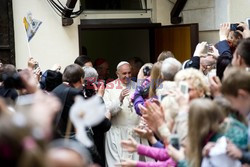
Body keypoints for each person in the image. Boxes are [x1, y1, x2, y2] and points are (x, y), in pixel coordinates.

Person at [103, 61, 145, 166]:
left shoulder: (137, 86)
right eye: (124, 73)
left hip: (134, 132)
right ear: (117, 74)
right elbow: (107, 111)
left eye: (129, 73)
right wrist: (120, 99)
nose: (127, 76)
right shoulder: (109, 87)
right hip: (116, 133)